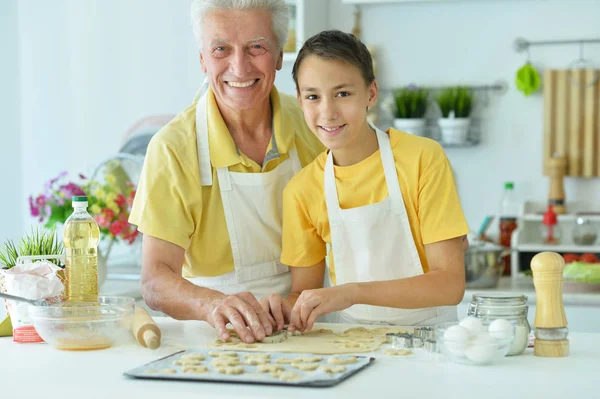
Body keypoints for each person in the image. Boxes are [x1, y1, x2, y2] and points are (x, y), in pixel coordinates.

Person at [128, 0, 323, 344]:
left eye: (256, 47)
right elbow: (156, 279)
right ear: (202, 58)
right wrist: (213, 305)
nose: (239, 67)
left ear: (279, 55)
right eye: (221, 49)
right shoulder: (173, 148)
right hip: (214, 336)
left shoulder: (314, 126)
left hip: (310, 325)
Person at [277, 30, 470, 332]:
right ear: (300, 101)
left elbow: (450, 284)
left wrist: (352, 292)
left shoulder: (422, 159)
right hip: (351, 344)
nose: (327, 112)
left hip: (431, 341)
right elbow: (303, 294)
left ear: (371, 93)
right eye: (313, 96)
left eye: (343, 93)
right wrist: (274, 311)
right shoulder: (301, 191)